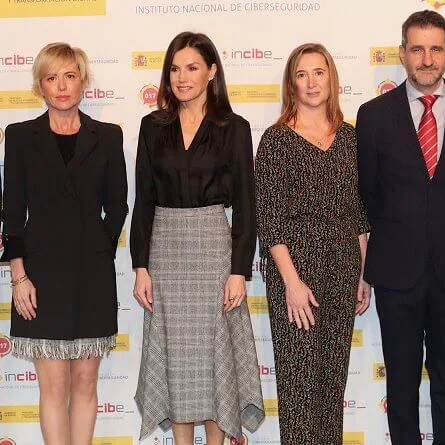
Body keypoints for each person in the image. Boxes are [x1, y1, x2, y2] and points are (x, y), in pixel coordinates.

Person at [356, 10, 445, 445]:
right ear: (403, 53)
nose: (427, 59)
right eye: (417, 49)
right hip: (396, 272)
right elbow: (368, 195)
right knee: (401, 385)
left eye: (435, 48)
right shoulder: (373, 115)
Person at [130, 32, 264, 445]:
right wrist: (140, 267)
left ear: (212, 71)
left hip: (213, 251)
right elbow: (144, 202)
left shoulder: (234, 128)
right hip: (166, 252)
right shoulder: (152, 127)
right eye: (174, 69)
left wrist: (238, 271)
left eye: (192, 68)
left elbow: (245, 206)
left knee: (213, 360)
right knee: (179, 365)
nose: (182, 77)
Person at [1, 42, 128, 445]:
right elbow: (12, 213)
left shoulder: (107, 136)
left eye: (70, 76)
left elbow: (118, 207)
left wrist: (97, 250)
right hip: (39, 277)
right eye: (52, 77)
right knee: (53, 389)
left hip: (91, 275)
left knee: (85, 386)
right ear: (40, 85)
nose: (62, 86)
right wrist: (19, 278)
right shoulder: (20, 137)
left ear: (83, 82)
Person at [255, 42, 370, 444]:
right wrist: (291, 282)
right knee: (299, 388)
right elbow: (269, 220)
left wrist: (363, 275)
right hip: (296, 272)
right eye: (302, 74)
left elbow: (358, 213)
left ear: (331, 77)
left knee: (330, 387)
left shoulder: (350, 138)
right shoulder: (275, 140)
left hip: (343, 268)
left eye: (319, 72)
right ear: (291, 83)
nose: (311, 82)